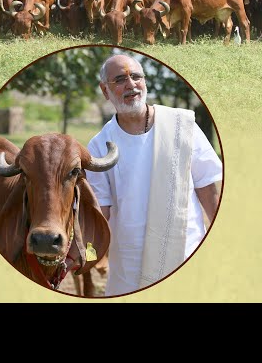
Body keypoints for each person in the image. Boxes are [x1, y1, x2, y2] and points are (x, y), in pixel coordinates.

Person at [86, 54, 222, 296]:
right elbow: (100, 213)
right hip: (129, 266)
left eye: (136, 76)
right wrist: (84, 251)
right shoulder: (98, 146)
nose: (131, 85)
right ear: (105, 90)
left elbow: (208, 187)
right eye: (120, 79)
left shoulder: (182, 125)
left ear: (145, 82)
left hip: (185, 253)